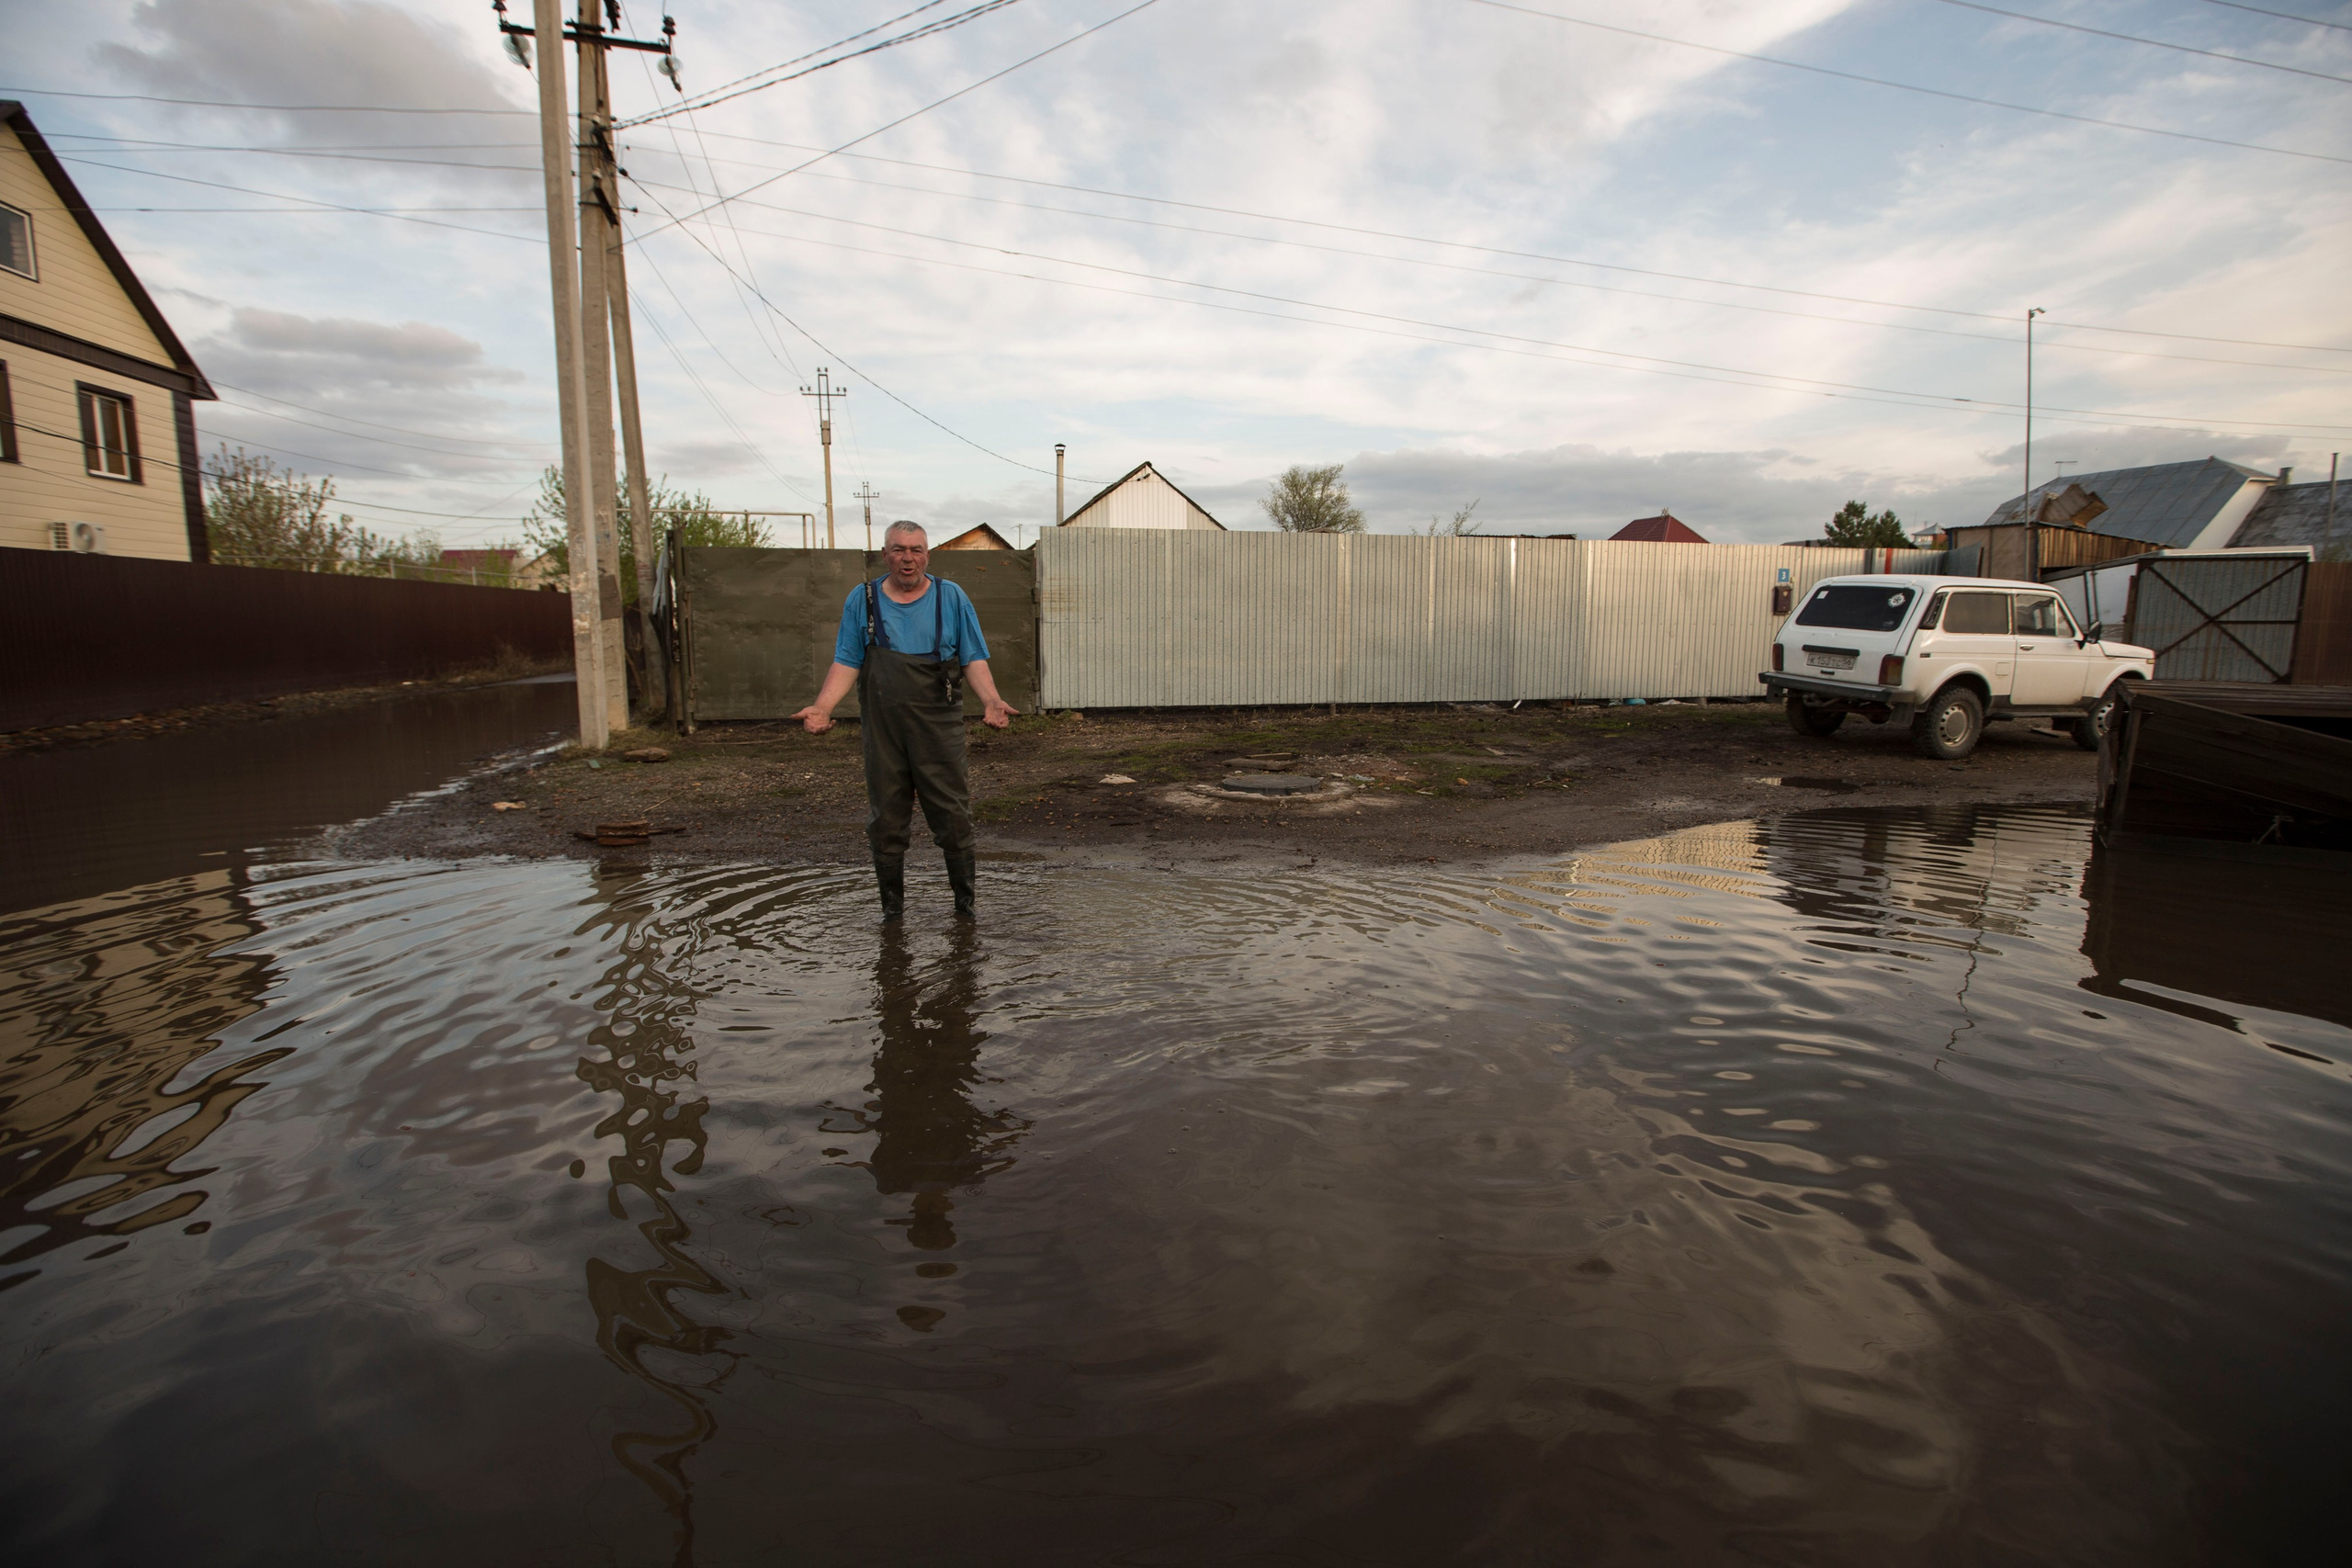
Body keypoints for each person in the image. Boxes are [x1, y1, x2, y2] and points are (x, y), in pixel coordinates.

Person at [792, 521, 1018, 919]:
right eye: (899, 549)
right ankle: (892, 914)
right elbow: (847, 659)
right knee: (887, 819)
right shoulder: (861, 600)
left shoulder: (951, 597)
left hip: (938, 726)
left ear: (927, 555)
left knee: (952, 815)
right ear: (885, 554)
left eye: (916, 550)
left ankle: (965, 910)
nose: (907, 558)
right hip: (883, 729)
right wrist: (823, 707)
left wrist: (992, 700)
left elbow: (972, 657)